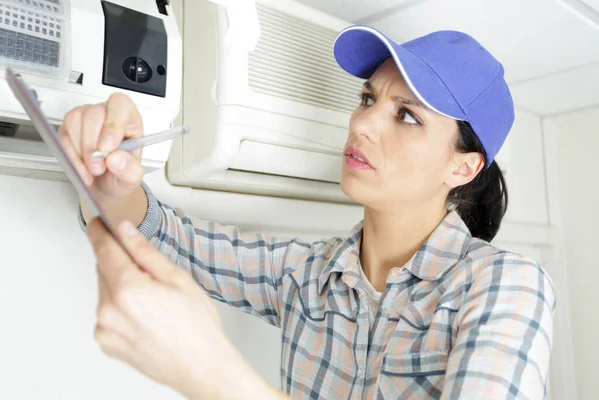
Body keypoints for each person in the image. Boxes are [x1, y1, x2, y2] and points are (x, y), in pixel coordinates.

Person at [64, 25, 556, 399]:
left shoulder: (505, 286)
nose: (362, 123)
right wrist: (112, 183)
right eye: (368, 99)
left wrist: (211, 373)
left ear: (463, 166)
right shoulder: (303, 274)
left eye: (406, 115)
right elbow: (165, 234)